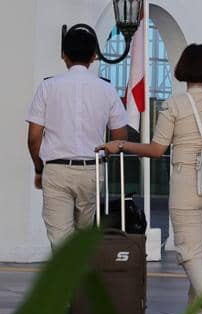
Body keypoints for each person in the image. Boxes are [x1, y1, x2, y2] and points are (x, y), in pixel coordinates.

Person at [99, 44, 202, 314]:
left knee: (190, 252)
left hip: (186, 182)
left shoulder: (175, 104)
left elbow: (157, 150)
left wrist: (122, 144)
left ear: (183, 69)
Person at [26, 24, 128, 247]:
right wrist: (106, 155)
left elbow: (34, 137)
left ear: (64, 55)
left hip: (56, 169)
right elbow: (121, 135)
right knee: (83, 243)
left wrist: (38, 167)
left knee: (61, 240)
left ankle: (68, 280)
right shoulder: (107, 89)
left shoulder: (48, 86)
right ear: (94, 56)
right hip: (93, 170)